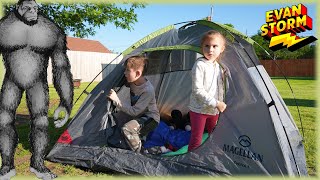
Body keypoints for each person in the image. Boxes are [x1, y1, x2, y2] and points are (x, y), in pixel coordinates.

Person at [0, 0, 73, 179]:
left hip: (38, 84)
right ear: (18, 8)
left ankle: (38, 165)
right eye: (27, 8)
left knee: (41, 123)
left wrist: (66, 102)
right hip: (11, 81)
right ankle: (6, 166)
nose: (32, 11)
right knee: (3, 121)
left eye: (35, 8)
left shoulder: (51, 29)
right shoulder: (3, 27)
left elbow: (61, 67)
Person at [107, 55, 160, 153]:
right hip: (139, 116)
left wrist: (116, 100)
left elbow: (135, 111)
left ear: (138, 73)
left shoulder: (148, 90)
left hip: (151, 118)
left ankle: (141, 153)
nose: (125, 73)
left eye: (127, 70)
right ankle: (140, 141)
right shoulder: (131, 82)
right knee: (121, 123)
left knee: (127, 128)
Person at [188, 30, 228, 152]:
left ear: (221, 49)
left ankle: (210, 157)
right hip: (198, 110)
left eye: (214, 46)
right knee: (196, 139)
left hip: (214, 111)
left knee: (214, 136)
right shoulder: (200, 65)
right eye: (207, 46)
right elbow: (197, 90)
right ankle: (190, 163)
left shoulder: (218, 66)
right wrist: (217, 103)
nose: (210, 50)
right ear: (202, 48)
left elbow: (219, 88)